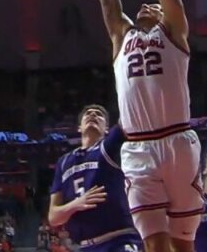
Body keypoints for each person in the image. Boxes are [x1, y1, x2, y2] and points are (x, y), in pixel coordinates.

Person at [98, 0, 202, 252]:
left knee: (183, 245)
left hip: (177, 142)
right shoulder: (121, 37)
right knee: (155, 246)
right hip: (138, 148)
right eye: (142, 5)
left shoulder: (173, 32)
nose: (147, 4)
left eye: (154, 6)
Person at [48, 104, 142, 252]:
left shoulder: (108, 148)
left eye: (99, 114)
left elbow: (129, 115)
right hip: (86, 246)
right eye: (88, 113)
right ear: (79, 127)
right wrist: (77, 204)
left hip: (119, 240)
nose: (92, 115)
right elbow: (53, 217)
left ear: (107, 129)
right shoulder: (64, 162)